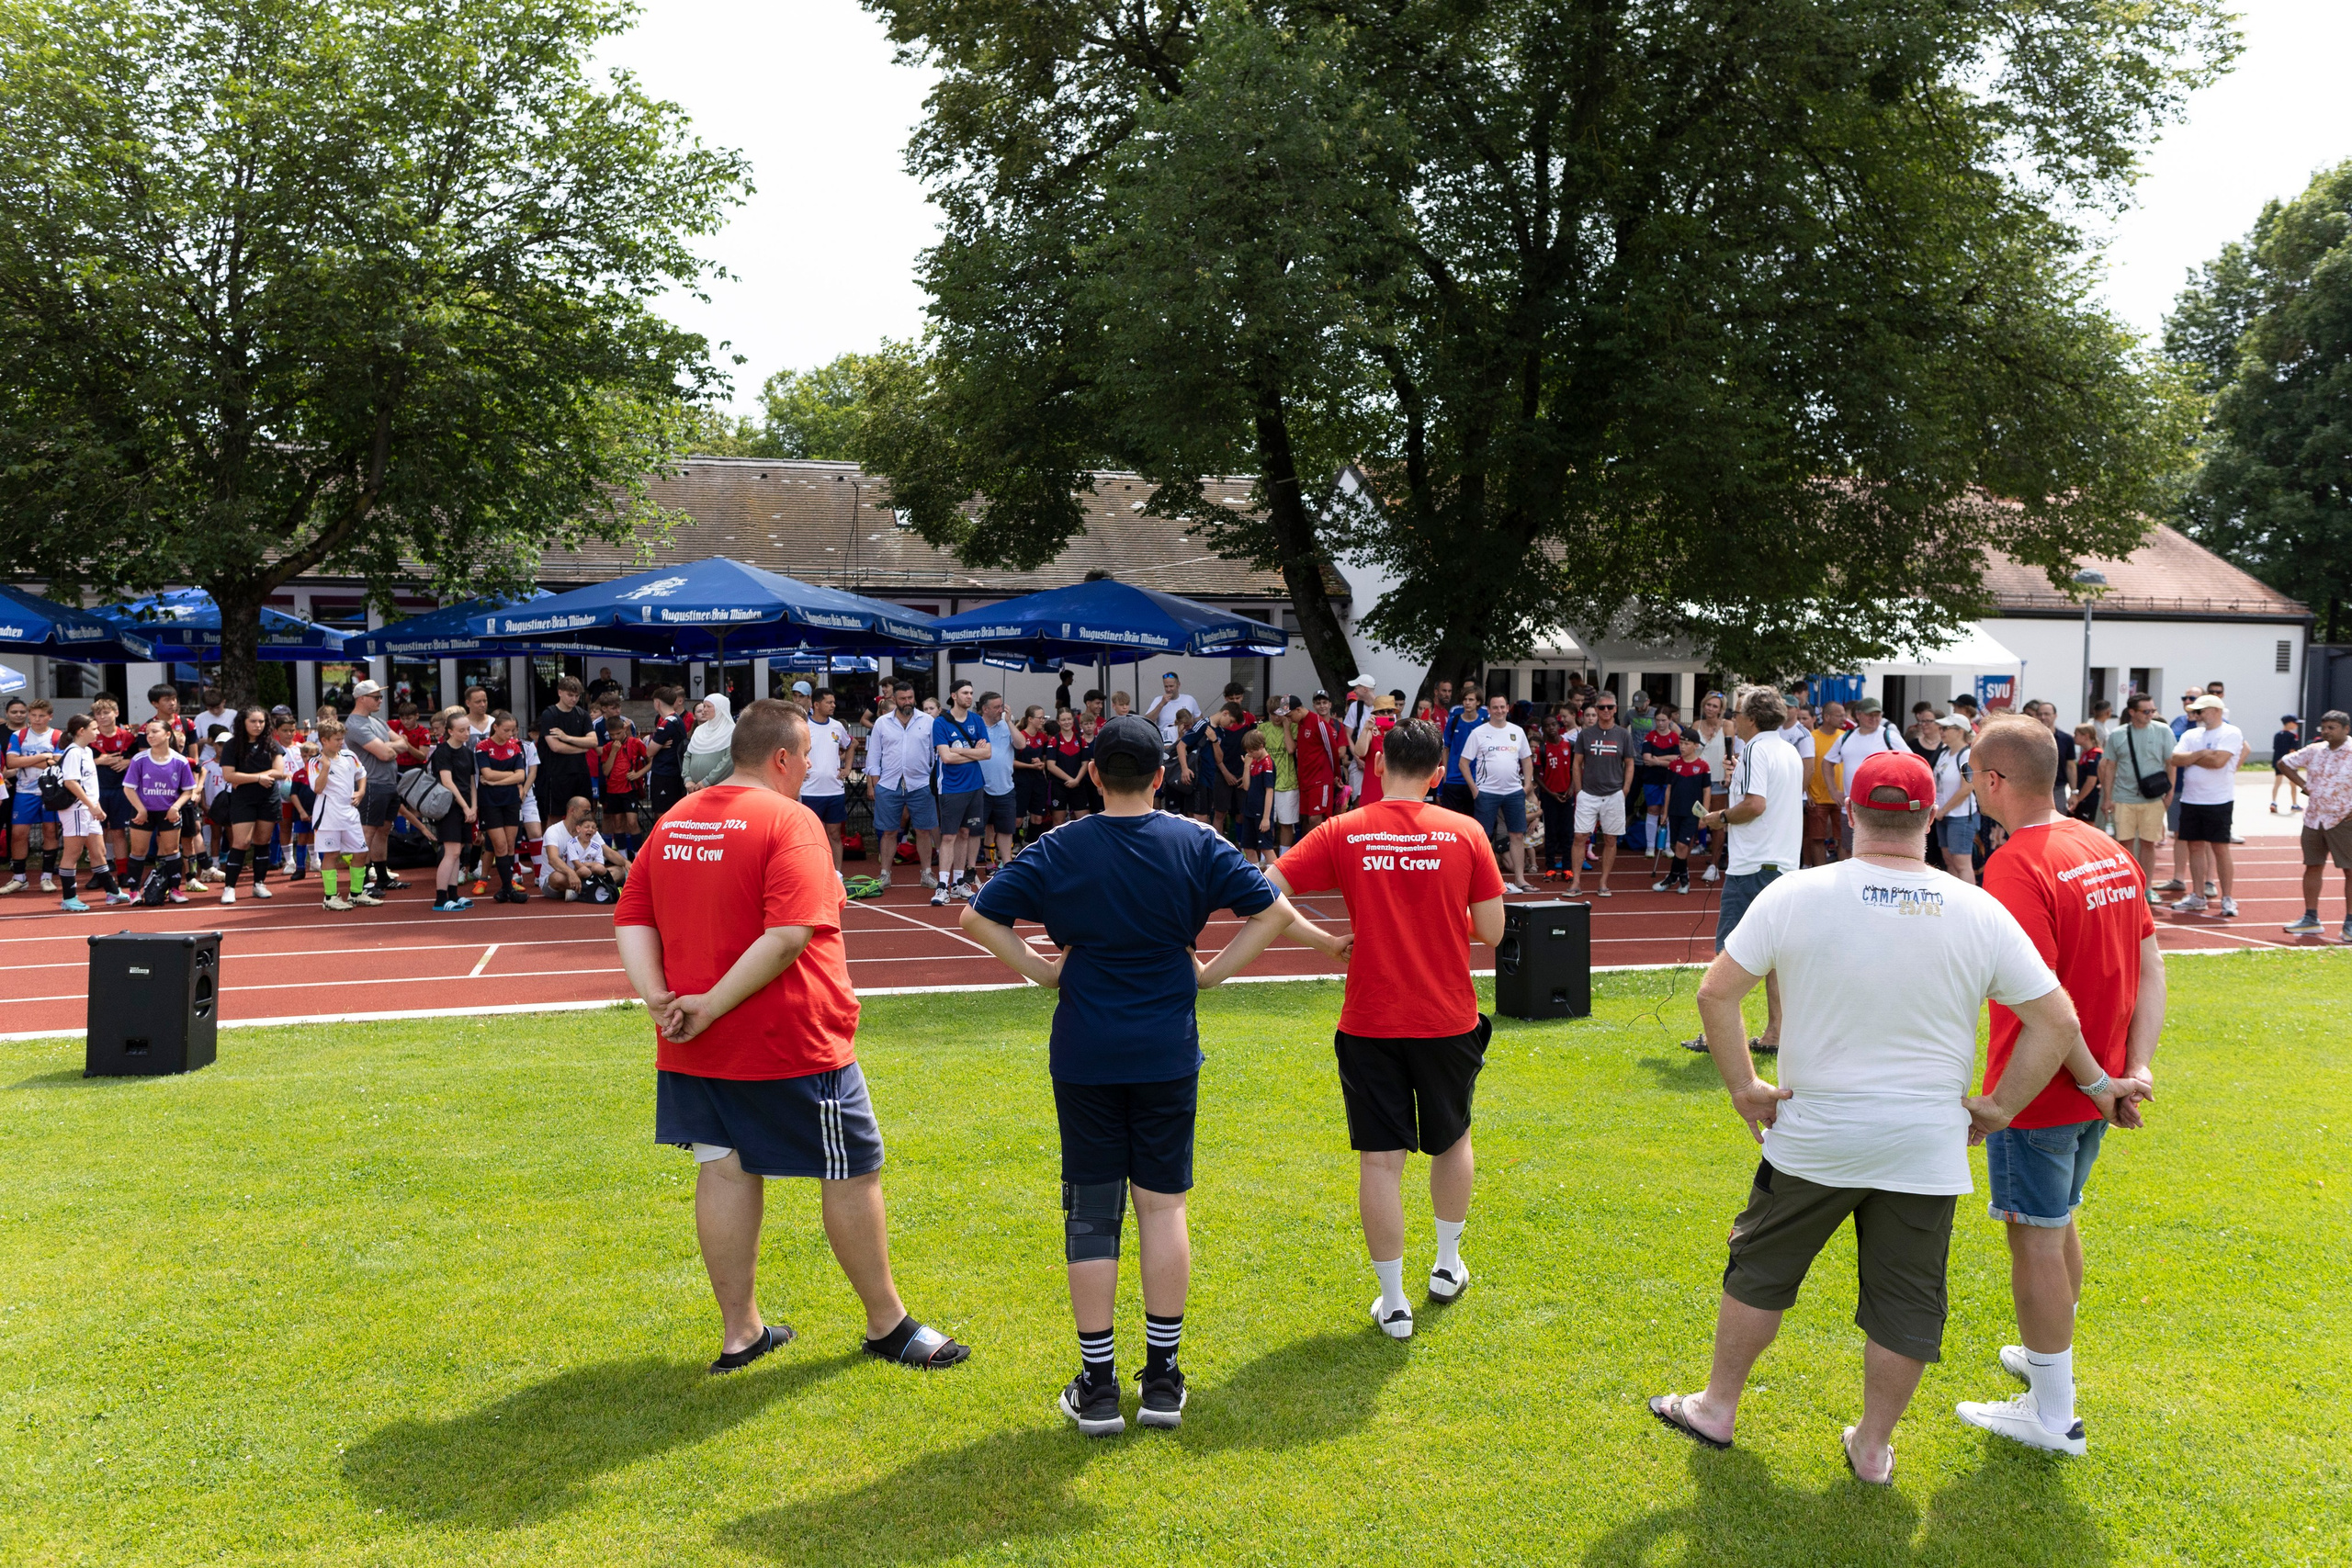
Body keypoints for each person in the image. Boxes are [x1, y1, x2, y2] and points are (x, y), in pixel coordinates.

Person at [1647, 749, 2098, 1484]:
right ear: (1928, 817)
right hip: (1924, 1144)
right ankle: (1872, 1446)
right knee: (1907, 1301)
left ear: (1851, 814)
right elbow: (2058, 1019)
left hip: (1814, 1135)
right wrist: (2001, 1106)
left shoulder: (1797, 892)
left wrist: (1743, 1086)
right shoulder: (1975, 905)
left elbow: (1715, 994)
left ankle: (1717, 1407)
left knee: (1759, 1270)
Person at [958, 715, 1330, 1436]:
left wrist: (1041, 971)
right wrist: (1211, 975)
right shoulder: (1194, 841)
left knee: (1094, 1212)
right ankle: (1161, 1379)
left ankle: (1098, 1386)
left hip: (1087, 1054)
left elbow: (980, 917)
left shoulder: (1059, 846)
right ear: (1163, 773)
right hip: (1164, 1050)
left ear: (1093, 774)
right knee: (1163, 1208)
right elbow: (1273, 911)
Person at [615, 698, 971, 1375]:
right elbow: (787, 937)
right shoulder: (792, 820)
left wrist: (660, 998)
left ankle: (741, 1332)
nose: (816, 765)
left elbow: (632, 916)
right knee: (851, 1167)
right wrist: (711, 1004)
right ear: (782, 758)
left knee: (722, 1166)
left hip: (694, 1039)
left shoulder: (675, 819)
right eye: (809, 754)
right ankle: (887, 1324)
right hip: (791, 1037)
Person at [1955, 718, 2162, 1455]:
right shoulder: (2102, 843)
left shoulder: (2015, 863)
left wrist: (2105, 1077)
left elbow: (2048, 1006)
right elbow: (2152, 961)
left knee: (2035, 1236)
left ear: (1993, 781)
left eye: (1973, 772)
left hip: (2047, 1087)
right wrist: (2131, 1070)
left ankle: (2051, 1414)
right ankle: (2052, 1364)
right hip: (2095, 1084)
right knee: (2061, 1217)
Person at [1266, 718, 1503, 1337]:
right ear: (1437, 773)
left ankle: (1394, 1300)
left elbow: (1263, 889)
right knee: (1451, 1141)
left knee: (1380, 1162)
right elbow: (1496, 930)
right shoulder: (1466, 831)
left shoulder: (1346, 828)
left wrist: (1322, 941)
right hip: (1446, 1014)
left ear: (1376, 767)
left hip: (1371, 1017)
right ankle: (1447, 1265)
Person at [1681, 689, 1804, 1055]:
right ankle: (1775, 1033)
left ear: (1750, 718)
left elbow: (1755, 805)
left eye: (1739, 712)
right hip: (1783, 864)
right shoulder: (1788, 750)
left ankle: (1719, 1036)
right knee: (1777, 956)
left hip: (1752, 865)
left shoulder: (1755, 750)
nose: (1735, 718)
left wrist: (1719, 817)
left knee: (1728, 952)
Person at [2277, 710, 2352, 940]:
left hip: (2343, 819)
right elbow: (2284, 763)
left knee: (2350, 870)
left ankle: (2350, 922)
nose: (2327, 732)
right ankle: (2311, 918)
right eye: (2324, 727)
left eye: (2333, 727)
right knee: (2313, 865)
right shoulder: (2315, 750)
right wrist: (2304, 786)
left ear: (2346, 729)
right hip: (2314, 819)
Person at [2167, 695, 2245, 917]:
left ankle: (2227, 897)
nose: (2197, 715)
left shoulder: (2231, 732)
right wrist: (2201, 754)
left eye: (2201, 710)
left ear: (2216, 710)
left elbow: (2218, 762)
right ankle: (2198, 895)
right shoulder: (2192, 734)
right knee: (2195, 847)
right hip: (2191, 799)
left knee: (2220, 848)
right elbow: (2175, 759)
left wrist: (2191, 758)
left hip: (2218, 800)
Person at [866, 680, 937, 889]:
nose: (908, 702)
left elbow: (935, 752)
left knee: (924, 830)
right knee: (888, 831)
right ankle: (885, 875)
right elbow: (874, 756)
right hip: (889, 784)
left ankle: (926, 873)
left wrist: (931, 778)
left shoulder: (928, 721)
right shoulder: (882, 723)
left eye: (911, 697)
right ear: (894, 699)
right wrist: (876, 782)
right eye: (903, 698)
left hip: (921, 784)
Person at [2098, 694, 2171, 896]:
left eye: (2152, 711)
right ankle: (2128, 886)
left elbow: (2170, 763)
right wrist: (2107, 798)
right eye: (2146, 711)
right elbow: (2110, 766)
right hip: (2123, 798)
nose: (2150, 714)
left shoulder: (2163, 731)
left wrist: (2170, 794)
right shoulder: (2118, 734)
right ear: (2132, 712)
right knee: (2124, 844)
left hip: (2153, 798)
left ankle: (2147, 888)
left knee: (2149, 844)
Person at [51, 715, 126, 911]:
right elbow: (70, 782)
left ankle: (112, 891)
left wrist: (95, 805)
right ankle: (69, 898)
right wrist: (91, 805)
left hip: (89, 808)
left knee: (99, 852)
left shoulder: (85, 751)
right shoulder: (74, 752)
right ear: (81, 731)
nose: (97, 732)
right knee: (72, 853)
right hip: (77, 809)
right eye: (93, 728)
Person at [928, 679, 992, 906]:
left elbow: (987, 754)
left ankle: (957, 883)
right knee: (948, 836)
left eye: (971, 692)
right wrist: (974, 750)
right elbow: (946, 757)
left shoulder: (977, 720)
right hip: (951, 787)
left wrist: (962, 752)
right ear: (954, 695)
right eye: (965, 692)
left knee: (965, 833)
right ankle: (942, 886)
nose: (969, 696)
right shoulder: (940, 723)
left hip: (975, 785)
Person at [214, 705, 288, 904]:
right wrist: (259, 777)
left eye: (261, 722)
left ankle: (259, 884)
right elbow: (229, 775)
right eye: (253, 721)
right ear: (243, 723)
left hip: (268, 798)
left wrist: (246, 777)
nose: (258, 725)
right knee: (241, 842)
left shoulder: (271, 744)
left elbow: (280, 772)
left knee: (262, 841)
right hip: (243, 799)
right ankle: (229, 887)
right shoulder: (232, 745)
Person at [1563, 694, 1631, 898]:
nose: (1606, 711)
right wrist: (1579, 789)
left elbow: (1629, 763)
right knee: (1579, 837)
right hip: (1588, 794)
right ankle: (1575, 882)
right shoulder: (1586, 734)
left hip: (1614, 794)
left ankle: (1603, 883)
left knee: (1610, 839)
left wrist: (1625, 790)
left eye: (1610, 707)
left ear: (1616, 709)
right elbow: (1577, 763)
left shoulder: (1623, 735)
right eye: (1602, 708)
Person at [123, 720, 199, 904]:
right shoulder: (139, 759)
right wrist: (141, 809)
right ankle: (134, 892)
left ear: (167, 735)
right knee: (138, 851)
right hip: (143, 811)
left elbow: (188, 790)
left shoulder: (180, 760)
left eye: (154, 732)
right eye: (148, 733)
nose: (149, 736)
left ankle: (174, 889)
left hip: (169, 812)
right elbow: (128, 788)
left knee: (172, 850)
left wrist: (175, 807)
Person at [309, 720, 375, 911]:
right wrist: (326, 767)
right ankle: (330, 898)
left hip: (350, 814)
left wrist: (361, 791)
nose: (341, 742)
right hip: (328, 816)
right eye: (337, 739)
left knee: (361, 852)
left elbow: (361, 773)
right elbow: (318, 788)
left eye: (342, 738)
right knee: (331, 854)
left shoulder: (349, 755)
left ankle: (356, 894)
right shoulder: (315, 762)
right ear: (324, 740)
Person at [5, 697, 65, 893]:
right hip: (24, 791)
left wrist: (25, 760)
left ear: (50, 717)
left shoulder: (57, 735)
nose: (37, 719)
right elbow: (11, 762)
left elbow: (57, 763)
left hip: (50, 792)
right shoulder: (19, 735)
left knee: (50, 831)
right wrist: (43, 757)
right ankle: (19, 877)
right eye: (33, 715)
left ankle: (47, 877)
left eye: (41, 716)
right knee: (18, 834)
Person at [426, 705, 481, 912]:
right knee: (450, 852)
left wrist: (474, 807)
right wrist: (466, 807)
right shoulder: (442, 752)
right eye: (461, 730)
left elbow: (471, 782)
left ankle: (453, 894)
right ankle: (440, 899)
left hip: (465, 807)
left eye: (468, 729)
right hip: (449, 807)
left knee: (457, 852)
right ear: (450, 731)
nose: (466, 733)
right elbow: (448, 782)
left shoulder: (468, 752)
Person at [474, 713, 529, 904]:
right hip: (490, 802)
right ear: (495, 727)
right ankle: (507, 888)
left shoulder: (515, 747)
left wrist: (495, 782)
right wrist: (507, 777)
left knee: (510, 844)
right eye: (506, 730)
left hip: (511, 800)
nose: (510, 734)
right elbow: (485, 772)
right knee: (499, 844)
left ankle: (506, 888)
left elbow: (520, 776)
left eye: (512, 730)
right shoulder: (483, 747)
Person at [1655, 730, 1713, 894]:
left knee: (1682, 845)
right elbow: (1668, 790)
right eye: (1681, 743)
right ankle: (1676, 877)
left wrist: (1705, 815)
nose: (1682, 747)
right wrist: (1665, 813)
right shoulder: (1674, 765)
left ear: (1695, 746)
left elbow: (1707, 791)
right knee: (1677, 847)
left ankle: (1681, 880)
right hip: (1675, 810)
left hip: (1692, 813)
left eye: (1686, 743)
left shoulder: (1703, 766)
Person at [541, 795, 630, 898]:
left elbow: (608, 851)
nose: (589, 814)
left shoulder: (589, 829)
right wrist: (570, 873)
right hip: (561, 879)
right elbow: (553, 859)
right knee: (556, 878)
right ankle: (596, 889)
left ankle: (583, 891)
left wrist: (626, 863)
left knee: (620, 870)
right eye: (585, 811)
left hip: (586, 874)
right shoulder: (553, 831)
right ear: (572, 811)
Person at [1290, 692, 1350, 839]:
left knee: (1316, 818)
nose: (1288, 720)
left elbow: (1332, 751)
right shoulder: (1301, 723)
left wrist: (1336, 776)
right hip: (1306, 780)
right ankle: (1309, 853)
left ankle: (1318, 853)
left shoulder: (1318, 722)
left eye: (1289, 715)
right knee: (1307, 818)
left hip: (1320, 779)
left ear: (1298, 710)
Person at [1928, 716, 1979, 886]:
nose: (1941, 732)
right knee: (1949, 860)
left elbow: (1967, 788)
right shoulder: (1944, 753)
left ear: (1960, 731)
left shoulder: (1967, 755)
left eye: (1946, 728)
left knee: (1961, 863)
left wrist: (1943, 810)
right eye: (1941, 728)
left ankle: (1970, 903)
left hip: (1960, 816)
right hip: (1943, 815)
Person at [976, 691, 1021, 878]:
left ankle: (1007, 864)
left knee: (1006, 830)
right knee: (977, 830)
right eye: (996, 707)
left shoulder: (1006, 726)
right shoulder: (976, 725)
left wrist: (1010, 722)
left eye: (1001, 706)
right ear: (985, 709)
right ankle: (985, 863)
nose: (1000, 710)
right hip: (980, 787)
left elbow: (1021, 744)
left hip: (1005, 787)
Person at [1536, 714, 1577, 880]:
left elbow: (1576, 769)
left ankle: (1567, 869)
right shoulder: (1542, 749)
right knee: (1551, 833)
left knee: (1567, 833)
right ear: (1544, 729)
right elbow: (1537, 776)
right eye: (1547, 725)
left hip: (1567, 795)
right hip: (1550, 796)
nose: (1551, 728)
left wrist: (1572, 787)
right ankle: (1550, 868)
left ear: (1558, 726)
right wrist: (1550, 792)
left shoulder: (1570, 746)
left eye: (1554, 724)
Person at [1258, 697, 1300, 852]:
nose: (1276, 718)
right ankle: (1265, 855)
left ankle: (1284, 855)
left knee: (1286, 823)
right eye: (1272, 714)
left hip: (1288, 783)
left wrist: (1286, 727)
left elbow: (1290, 749)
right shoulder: (1262, 729)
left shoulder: (1293, 726)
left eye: (1279, 714)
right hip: (1267, 782)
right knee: (1267, 821)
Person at [645, 686, 689, 821]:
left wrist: (657, 744)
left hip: (664, 773)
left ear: (657, 702)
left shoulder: (666, 724)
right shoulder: (677, 719)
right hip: (673, 772)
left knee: (661, 814)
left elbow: (649, 752)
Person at [1236, 727, 1278, 865]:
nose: (1249, 754)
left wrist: (1266, 818)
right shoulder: (1252, 762)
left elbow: (1269, 791)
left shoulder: (1267, 763)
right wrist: (1246, 767)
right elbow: (1246, 786)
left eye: (1251, 751)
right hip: (1250, 811)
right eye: (1247, 751)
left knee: (1266, 848)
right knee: (1248, 847)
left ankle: (1277, 880)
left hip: (1261, 813)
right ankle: (1255, 879)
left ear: (1260, 747)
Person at [1439, 685, 1484, 814]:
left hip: (1476, 780)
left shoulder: (1483, 723)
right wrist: (1446, 775)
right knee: (1451, 822)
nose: (1467, 703)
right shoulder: (1454, 721)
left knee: (1473, 821)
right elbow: (1445, 748)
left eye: (1471, 699)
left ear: (1478, 702)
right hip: (1453, 779)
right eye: (1465, 699)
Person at [1013, 705, 1055, 843]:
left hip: (1038, 782)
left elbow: (1045, 760)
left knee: (1037, 817)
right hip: (1021, 781)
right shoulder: (1020, 737)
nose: (1043, 720)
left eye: (1044, 717)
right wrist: (1030, 766)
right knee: (1018, 819)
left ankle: (1031, 845)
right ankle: (1014, 845)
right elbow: (1011, 762)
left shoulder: (1043, 738)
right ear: (1030, 719)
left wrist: (1040, 763)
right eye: (1040, 718)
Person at [1045, 707, 1091, 825]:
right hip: (1059, 786)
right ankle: (1058, 844)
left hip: (1078, 784)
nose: (1067, 722)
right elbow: (1050, 766)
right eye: (1063, 720)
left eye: (1069, 719)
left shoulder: (1081, 740)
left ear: (1073, 720)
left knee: (1083, 821)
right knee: (1058, 822)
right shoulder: (1054, 740)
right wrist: (1070, 779)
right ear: (1058, 722)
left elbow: (1085, 764)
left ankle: (1081, 843)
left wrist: (1076, 780)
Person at [681, 694, 737, 794]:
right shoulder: (699, 730)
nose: (704, 710)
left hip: (718, 791)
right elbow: (688, 755)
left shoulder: (732, 731)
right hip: (693, 789)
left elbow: (728, 761)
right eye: (704, 706)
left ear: (720, 709)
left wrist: (707, 781)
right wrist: (687, 779)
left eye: (708, 706)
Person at [1144, 671, 1201, 755]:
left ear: (1178, 685)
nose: (1168, 689)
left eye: (1171, 686)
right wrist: (1161, 704)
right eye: (1166, 687)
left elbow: (1199, 720)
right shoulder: (1158, 700)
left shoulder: (1189, 699)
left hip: (1187, 742)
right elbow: (1147, 721)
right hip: (1165, 743)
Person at [2270, 716, 2304, 814]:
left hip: (2277, 762)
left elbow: (2275, 748)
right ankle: (2294, 804)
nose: (2297, 725)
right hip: (2289, 763)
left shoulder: (2277, 735)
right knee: (2293, 784)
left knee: (2277, 782)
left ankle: (2273, 802)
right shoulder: (2293, 736)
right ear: (2289, 723)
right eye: (2295, 722)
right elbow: (2292, 751)